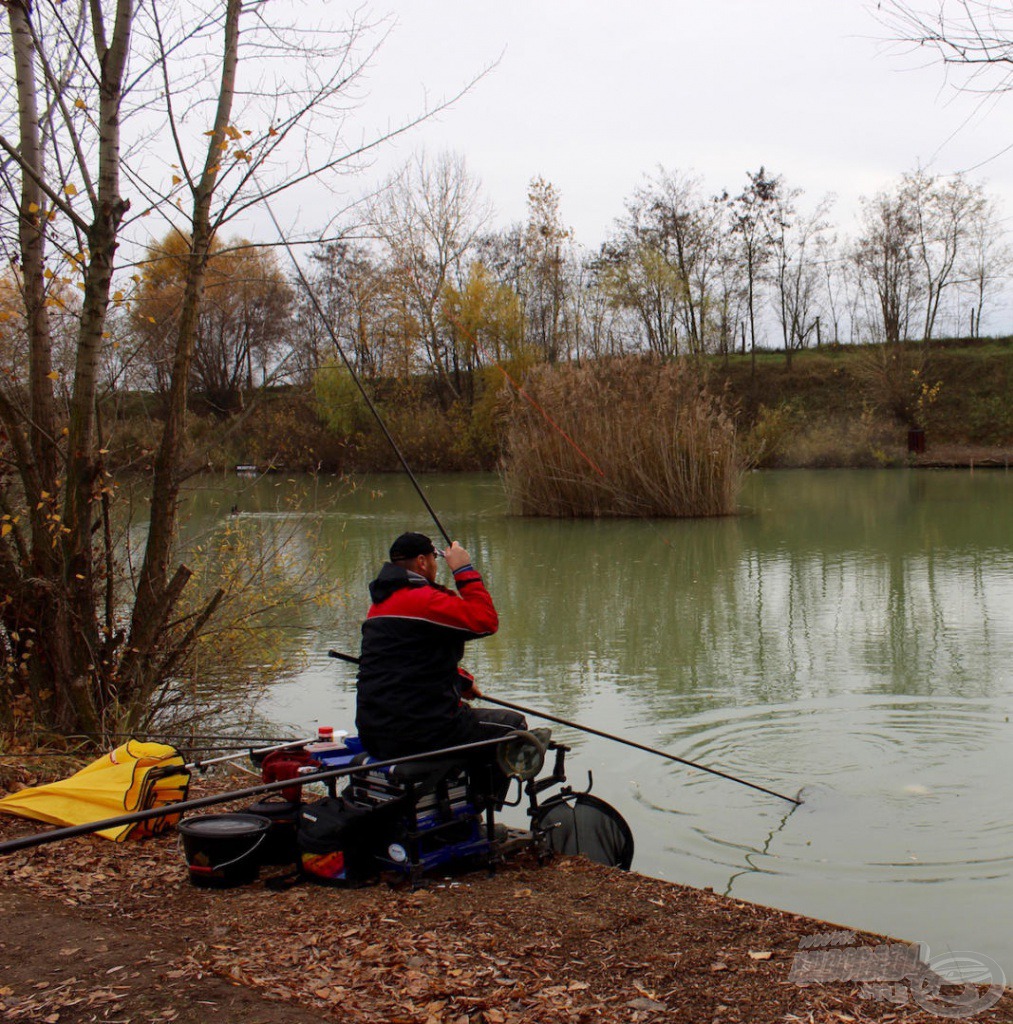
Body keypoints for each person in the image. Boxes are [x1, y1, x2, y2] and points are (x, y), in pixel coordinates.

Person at [355, 531, 526, 793]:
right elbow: (485, 621)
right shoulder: (423, 601)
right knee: (513, 728)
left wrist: (460, 681)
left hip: (374, 733)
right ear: (422, 562)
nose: (437, 564)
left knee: (476, 724)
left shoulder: (381, 604)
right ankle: (478, 811)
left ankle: (453, 798)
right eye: (435, 558)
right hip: (420, 733)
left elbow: (409, 661)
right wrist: (463, 569)